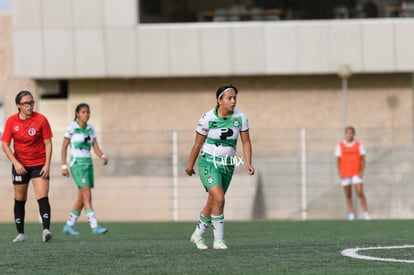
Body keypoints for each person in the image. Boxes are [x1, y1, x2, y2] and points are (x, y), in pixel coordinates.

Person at [185, 84, 255, 249]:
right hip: (208, 162)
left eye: (234, 98)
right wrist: (189, 166)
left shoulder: (241, 117)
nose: (233, 101)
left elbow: (246, 141)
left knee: (213, 200)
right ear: (219, 100)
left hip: (228, 164)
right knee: (219, 198)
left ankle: (197, 235)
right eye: (229, 98)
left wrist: (248, 163)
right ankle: (218, 240)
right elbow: (197, 145)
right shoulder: (207, 118)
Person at [1, 90, 53, 242]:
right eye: (26, 103)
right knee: (19, 199)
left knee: (42, 196)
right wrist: (15, 162)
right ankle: (21, 234)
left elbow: (48, 143)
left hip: (39, 163)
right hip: (20, 166)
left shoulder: (41, 120)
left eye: (32, 102)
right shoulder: (11, 121)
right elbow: (5, 145)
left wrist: (47, 164)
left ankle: (46, 230)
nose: (30, 106)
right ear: (19, 105)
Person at [61, 103, 108, 235]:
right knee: (87, 194)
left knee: (82, 197)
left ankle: (69, 225)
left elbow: (96, 147)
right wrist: (64, 166)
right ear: (77, 114)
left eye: (88, 112)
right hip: (77, 165)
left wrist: (103, 156)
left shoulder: (91, 129)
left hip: (88, 165)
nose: (86, 114)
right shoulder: (72, 128)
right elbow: (64, 147)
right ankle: (94, 226)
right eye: (83, 112)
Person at [335, 126, 370, 221]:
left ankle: (366, 213)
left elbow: (363, 159)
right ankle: (351, 214)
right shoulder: (340, 146)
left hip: (356, 172)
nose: (349, 135)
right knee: (348, 195)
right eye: (347, 133)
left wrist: (361, 171)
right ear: (345, 134)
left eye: (351, 133)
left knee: (360, 192)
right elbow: (338, 160)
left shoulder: (358, 145)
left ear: (353, 134)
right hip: (345, 172)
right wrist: (340, 172)